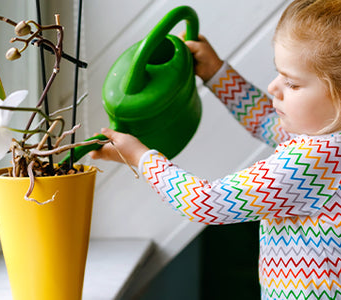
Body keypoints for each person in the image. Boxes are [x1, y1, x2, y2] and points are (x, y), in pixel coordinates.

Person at [90, 0, 341, 299]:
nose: (274, 87)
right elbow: (266, 122)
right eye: (279, 74)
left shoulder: (313, 159)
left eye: (292, 83)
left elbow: (206, 202)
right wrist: (216, 73)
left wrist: (142, 158)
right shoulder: (328, 146)